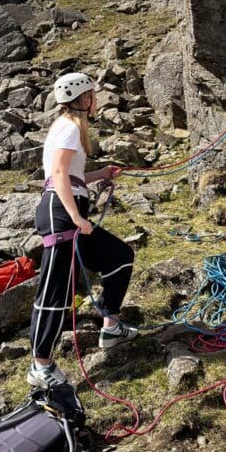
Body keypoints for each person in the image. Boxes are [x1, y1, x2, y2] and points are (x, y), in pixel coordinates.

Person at [28, 71, 138, 389]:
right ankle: (41, 366)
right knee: (55, 289)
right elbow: (60, 173)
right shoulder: (69, 127)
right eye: (93, 94)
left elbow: (69, 175)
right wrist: (76, 216)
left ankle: (111, 325)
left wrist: (99, 173)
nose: (96, 99)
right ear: (84, 99)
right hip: (62, 213)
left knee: (119, 256)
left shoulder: (70, 127)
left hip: (65, 209)